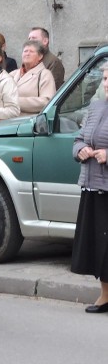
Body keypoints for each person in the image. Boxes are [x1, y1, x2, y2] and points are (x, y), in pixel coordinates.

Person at [70, 63, 108, 314]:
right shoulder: (96, 107)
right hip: (93, 185)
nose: (106, 83)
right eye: (105, 77)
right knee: (100, 245)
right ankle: (105, 294)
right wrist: (80, 150)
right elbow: (78, 138)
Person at [10, 40, 56, 116]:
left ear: (40, 56)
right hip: (8, 121)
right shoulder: (13, 74)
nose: (27, 54)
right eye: (25, 51)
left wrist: (15, 101)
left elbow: (47, 101)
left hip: (30, 122)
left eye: (31, 51)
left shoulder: (45, 74)